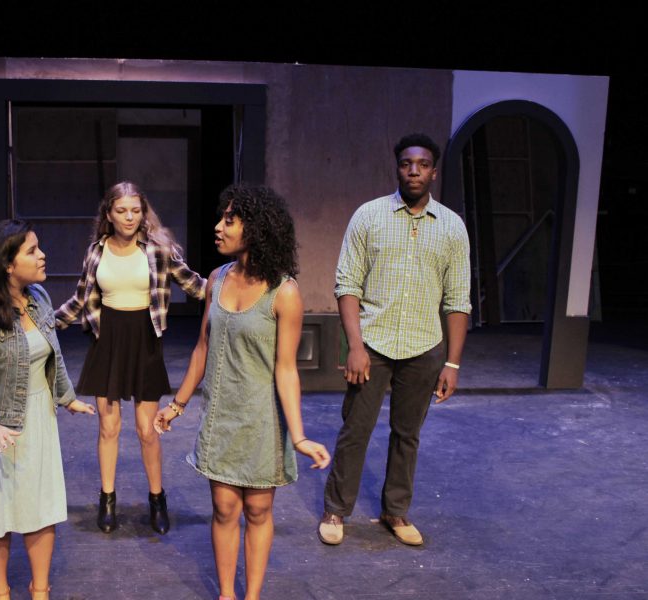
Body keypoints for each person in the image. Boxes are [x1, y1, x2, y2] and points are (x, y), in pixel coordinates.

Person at [155, 184, 330, 600]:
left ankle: (251, 595)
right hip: (221, 416)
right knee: (224, 509)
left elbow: (287, 370)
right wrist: (177, 404)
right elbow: (202, 347)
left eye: (229, 221)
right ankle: (226, 595)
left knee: (258, 509)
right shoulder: (216, 279)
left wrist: (299, 435)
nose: (218, 228)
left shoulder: (283, 293)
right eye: (221, 219)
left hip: (262, 420)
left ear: (256, 229)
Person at [318, 133, 472, 547]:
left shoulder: (453, 227)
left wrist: (452, 363)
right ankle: (336, 508)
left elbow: (458, 301)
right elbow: (347, 284)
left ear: (434, 172)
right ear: (397, 168)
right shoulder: (368, 216)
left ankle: (395, 510)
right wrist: (355, 346)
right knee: (356, 429)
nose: (414, 171)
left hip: (424, 347)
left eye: (422, 164)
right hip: (374, 343)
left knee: (408, 434)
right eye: (407, 164)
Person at [0, 219, 95, 599]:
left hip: (38, 418)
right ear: (6, 264)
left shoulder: (39, 298)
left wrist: (67, 397)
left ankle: (40, 589)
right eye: (32, 250)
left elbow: (52, 356)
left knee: (41, 505)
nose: (42, 255)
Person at [55, 181, 206, 535]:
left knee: (147, 430)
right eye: (121, 211)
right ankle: (107, 500)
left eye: (135, 211)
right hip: (107, 342)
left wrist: (238, 290)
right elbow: (78, 301)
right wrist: (41, 320)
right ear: (108, 213)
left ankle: (157, 499)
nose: (129, 217)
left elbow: (196, 285)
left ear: (143, 213)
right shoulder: (96, 251)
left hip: (144, 341)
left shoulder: (157, 250)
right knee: (108, 427)